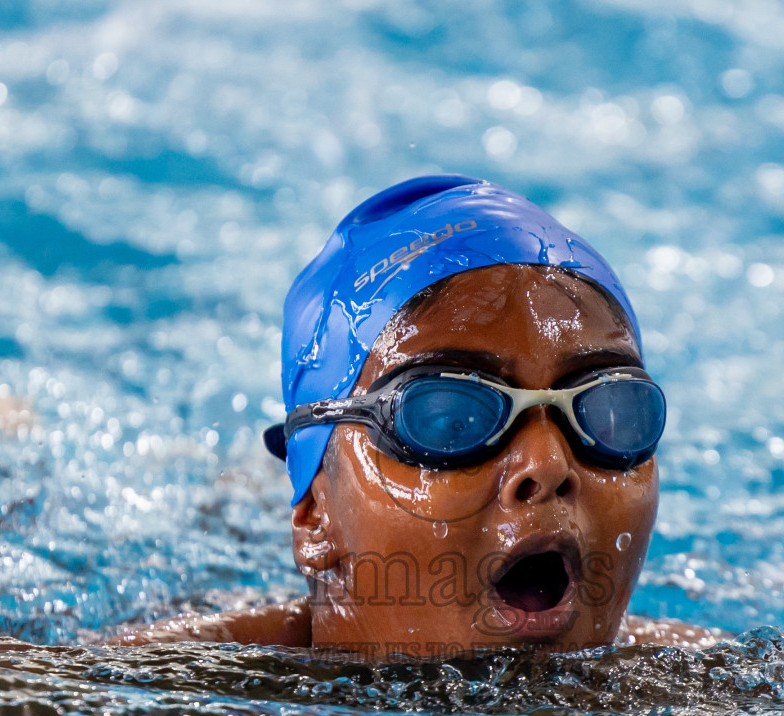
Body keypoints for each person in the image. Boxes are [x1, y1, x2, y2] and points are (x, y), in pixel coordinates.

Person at [113, 175, 722, 657]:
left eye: (609, 408)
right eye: (448, 415)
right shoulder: (170, 686)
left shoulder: (717, 691)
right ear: (315, 517)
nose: (546, 463)